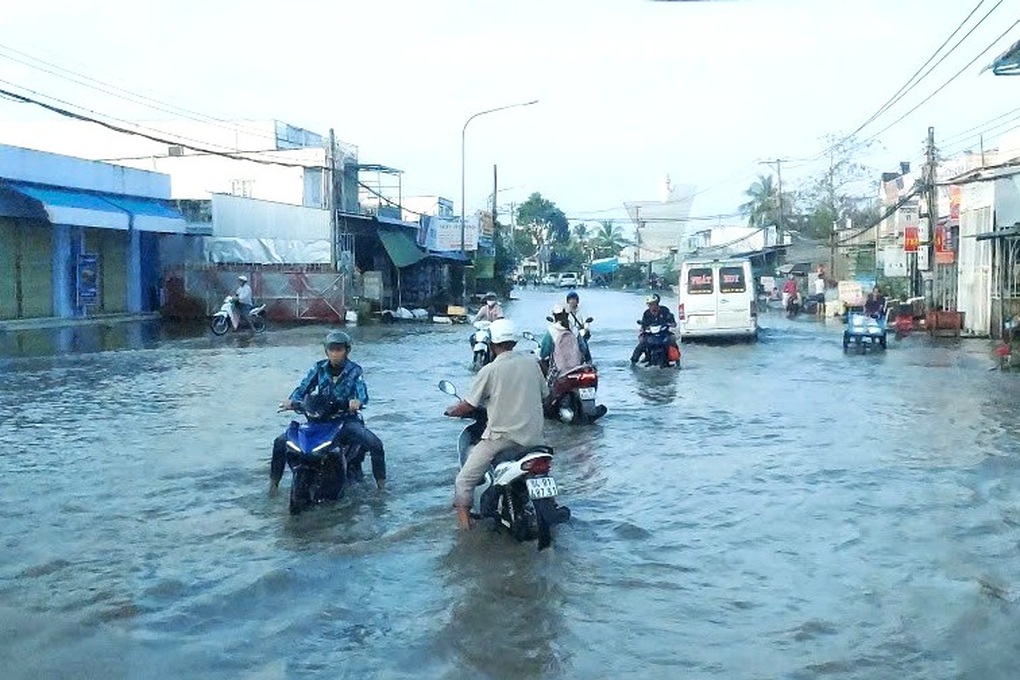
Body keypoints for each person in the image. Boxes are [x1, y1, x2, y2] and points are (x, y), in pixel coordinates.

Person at [444, 318, 548, 530]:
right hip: (534, 439)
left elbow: (469, 405)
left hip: (502, 440)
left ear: (492, 344)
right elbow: (545, 395)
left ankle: (465, 533)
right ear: (514, 342)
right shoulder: (532, 364)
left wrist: (453, 411)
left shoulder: (490, 370)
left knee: (463, 481)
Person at [269, 330, 387, 493]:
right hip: (318, 420)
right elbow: (303, 388)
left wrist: (357, 402)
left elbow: (362, 393)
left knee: (375, 444)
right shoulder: (318, 368)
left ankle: (381, 487)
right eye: (332, 349)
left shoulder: (355, 371)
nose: (335, 354)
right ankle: (273, 486)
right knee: (281, 442)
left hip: (345, 420)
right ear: (326, 351)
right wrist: (293, 401)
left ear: (346, 351)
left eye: (339, 350)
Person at [539, 304, 585, 380]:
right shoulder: (575, 330)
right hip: (576, 368)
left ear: (554, 316)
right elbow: (584, 349)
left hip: (559, 371)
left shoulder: (551, 331)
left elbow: (544, 353)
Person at [630, 293, 679, 365]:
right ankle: (635, 361)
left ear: (657, 303)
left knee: (672, 340)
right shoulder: (646, 313)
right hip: (651, 334)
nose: (651, 306)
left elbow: (672, 321)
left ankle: (677, 360)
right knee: (642, 343)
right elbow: (644, 324)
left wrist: (671, 324)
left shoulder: (664, 310)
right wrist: (643, 329)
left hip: (664, 333)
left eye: (653, 304)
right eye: (649, 304)